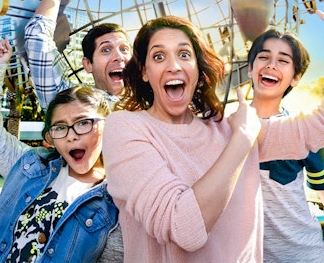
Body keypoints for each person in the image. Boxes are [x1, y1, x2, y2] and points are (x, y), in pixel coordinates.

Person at [102, 13, 324, 263]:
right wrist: (242, 139)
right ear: (144, 71)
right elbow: (184, 229)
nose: (174, 66)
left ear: (198, 70)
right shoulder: (125, 127)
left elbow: (314, 130)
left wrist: (242, 133)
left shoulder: (225, 128)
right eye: (159, 56)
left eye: (184, 55)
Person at [0, 37, 123, 263]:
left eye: (83, 123)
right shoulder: (31, 166)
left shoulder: (117, 197)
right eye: (60, 127)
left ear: (107, 125)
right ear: (51, 138)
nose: (72, 135)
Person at [247, 27, 324, 262]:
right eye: (263, 57)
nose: (271, 65)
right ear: (250, 69)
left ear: (296, 77)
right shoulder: (223, 129)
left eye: (283, 60)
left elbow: (321, 189)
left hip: (303, 254)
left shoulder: (303, 131)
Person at [24, 0, 132, 111]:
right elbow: (36, 38)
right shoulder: (73, 104)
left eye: (124, 49)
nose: (119, 57)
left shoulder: (157, 99)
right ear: (87, 64)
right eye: (106, 50)